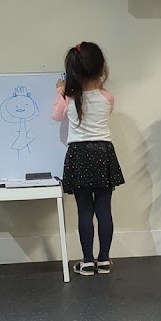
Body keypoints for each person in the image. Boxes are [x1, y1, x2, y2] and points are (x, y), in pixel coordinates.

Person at [52, 42, 124, 275]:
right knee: (104, 209)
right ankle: (104, 260)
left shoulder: (70, 98)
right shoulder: (107, 97)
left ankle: (86, 261)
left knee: (84, 210)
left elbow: (56, 116)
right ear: (101, 69)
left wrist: (61, 90)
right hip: (103, 152)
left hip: (79, 154)